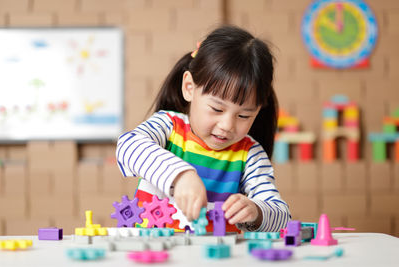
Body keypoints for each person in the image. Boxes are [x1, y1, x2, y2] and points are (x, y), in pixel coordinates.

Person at [116, 25, 290, 232]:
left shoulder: (249, 154)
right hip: (154, 255)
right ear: (189, 88)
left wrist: (256, 211)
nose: (227, 126)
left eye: (243, 115)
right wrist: (181, 176)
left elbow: (281, 215)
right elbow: (128, 146)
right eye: (217, 108)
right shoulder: (168, 127)